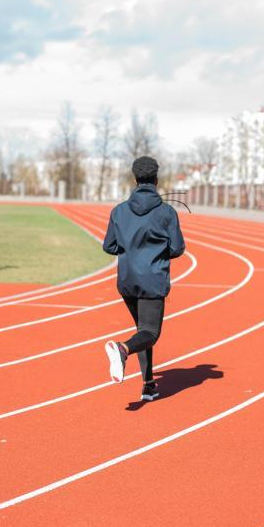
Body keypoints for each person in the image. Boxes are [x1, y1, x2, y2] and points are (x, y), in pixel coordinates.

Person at [102, 156, 185, 401]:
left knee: (142, 330)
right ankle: (122, 349)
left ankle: (148, 384)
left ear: (135, 179)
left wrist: (131, 249)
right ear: (156, 180)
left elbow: (109, 246)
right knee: (150, 332)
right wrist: (156, 253)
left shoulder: (119, 211)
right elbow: (178, 248)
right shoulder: (167, 212)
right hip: (152, 280)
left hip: (127, 281)